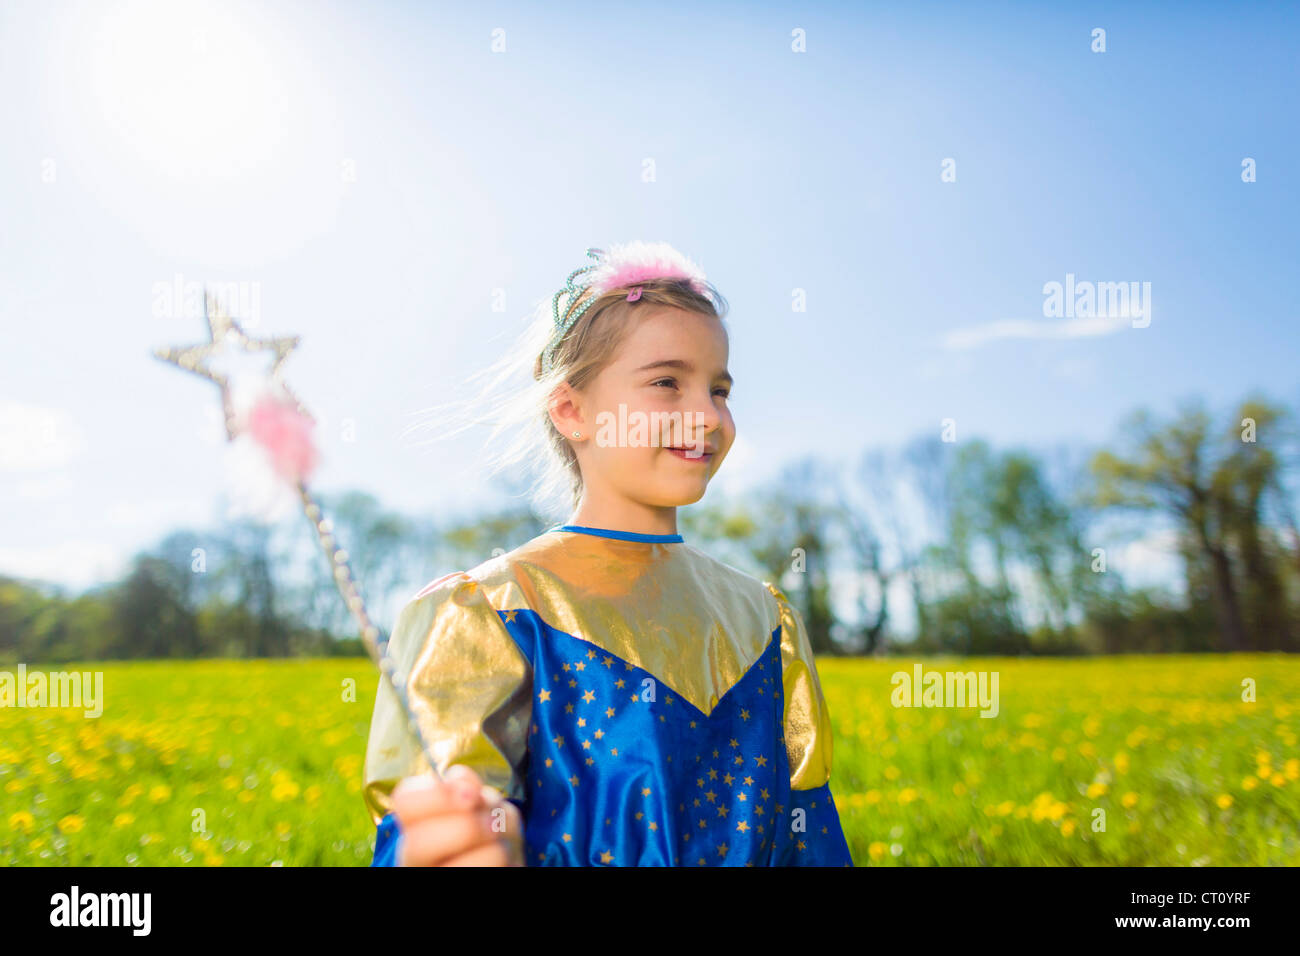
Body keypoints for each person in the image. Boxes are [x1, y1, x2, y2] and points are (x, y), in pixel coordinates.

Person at [362, 241, 854, 866]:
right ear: (572, 409)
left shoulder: (764, 619)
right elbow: (429, 828)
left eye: (720, 389)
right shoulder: (487, 612)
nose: (706, 415)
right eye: (667, 382)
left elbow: (810, 833)